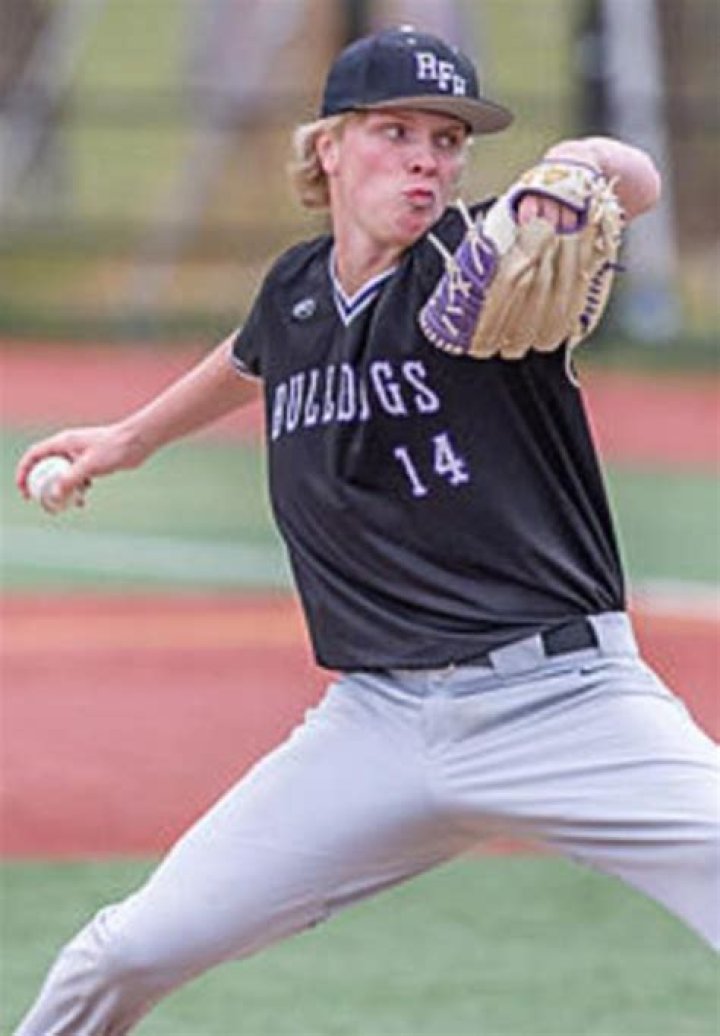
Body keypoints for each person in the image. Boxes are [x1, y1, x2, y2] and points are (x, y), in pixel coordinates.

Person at [12, 25, 719, 1036]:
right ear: (329, 147)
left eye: (447, 139)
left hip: (565, 703)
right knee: (127, 950)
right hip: (376, 723)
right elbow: (254, 354)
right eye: (396, 131)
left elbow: (634, 180)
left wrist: (579, 165)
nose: (426, 157)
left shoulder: (479, 259)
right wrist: (128, 438)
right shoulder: (297, 289)